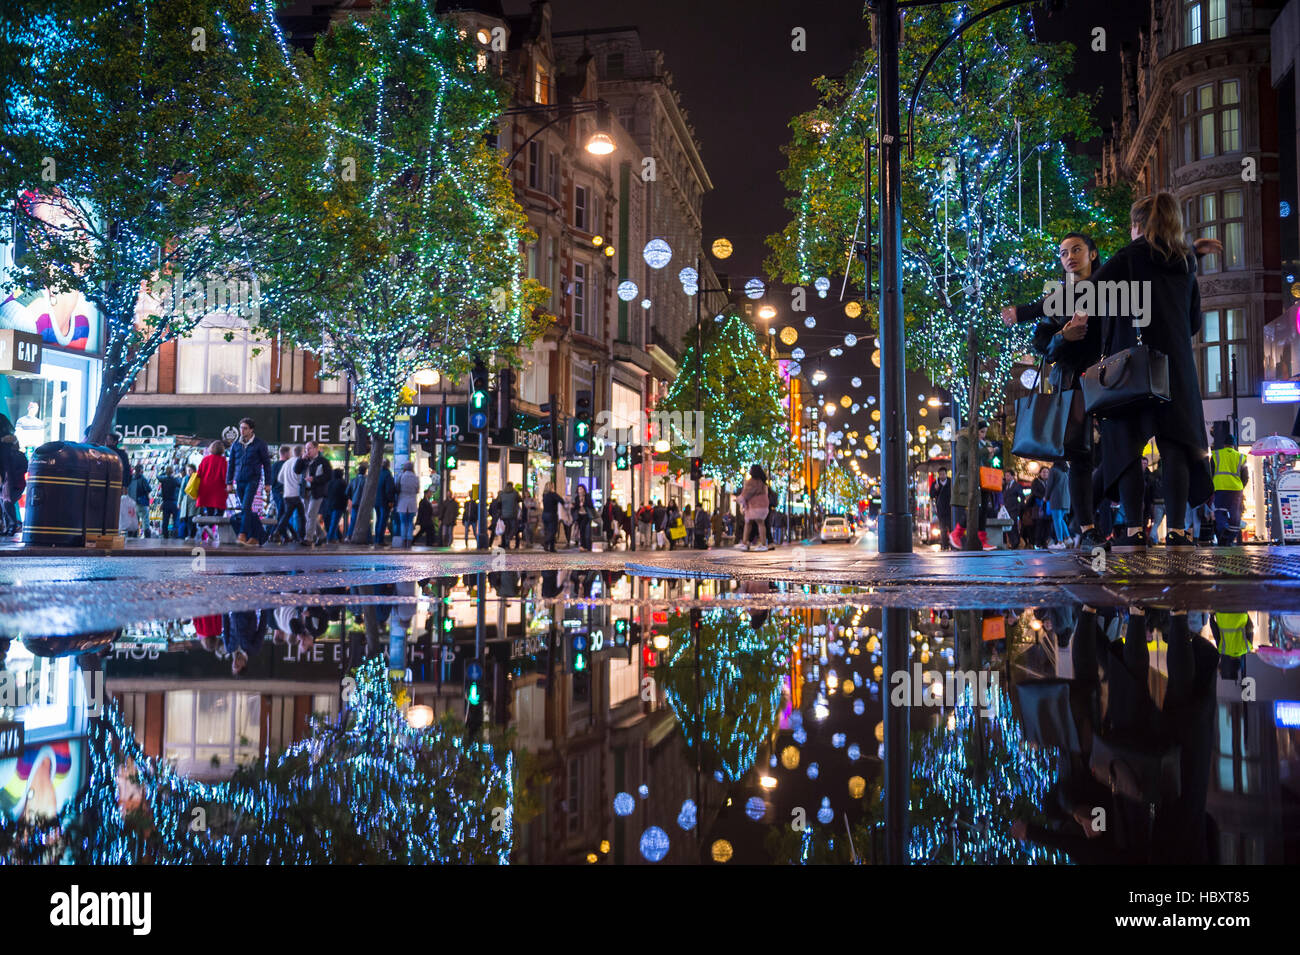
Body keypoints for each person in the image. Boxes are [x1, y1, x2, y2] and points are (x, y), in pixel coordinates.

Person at [1080, 193, 1214, 549]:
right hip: (1176, 370)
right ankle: (1178, 531)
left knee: (1126, 447)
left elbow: (1088, 294)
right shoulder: (1186, 263)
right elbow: (1193, 323)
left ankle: (1134, 530)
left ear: (1138, 224)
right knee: (1177, 448)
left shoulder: (1129, 257)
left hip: (1133, 368)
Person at [1003, 231, 1107, 551]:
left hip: (1110, 383)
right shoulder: (1057, 300)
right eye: (1063, 253)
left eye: (1076, 249)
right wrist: (1064, 335)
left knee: (1114, 454)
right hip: (1072, 386)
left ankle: (1096, 525)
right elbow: (1043, 346)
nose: (1069, 257)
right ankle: (1087, 529)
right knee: (1080, 456)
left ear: (1092, 254)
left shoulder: (1110, 290)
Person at [225, 417, 273, 548]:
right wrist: (229, 482)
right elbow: (231, 464)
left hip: (253, 479)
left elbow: (267, 464)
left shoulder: (259, 444)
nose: (242, 431)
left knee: (246, 507)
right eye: (241, 428)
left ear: (251, 430)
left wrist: (268, 483)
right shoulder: (236, 444)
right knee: (247, 509)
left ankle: (243, 534)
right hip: (239, 480)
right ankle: (257, 536)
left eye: (245, 428)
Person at [951, 421, 992, 549]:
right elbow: (965, 456)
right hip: (970, 481)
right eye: (981, 432)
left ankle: (982, 540)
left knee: (983, 510)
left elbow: (985, 462)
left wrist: (989, 454)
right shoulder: (964, 439)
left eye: (985, 432)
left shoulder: (983, 443)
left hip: (983, 480)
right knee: (973, 509)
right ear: (974, 430)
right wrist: (985, 451)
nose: (983, 435)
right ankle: (956, 533)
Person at [1211, 429, 1249, 546]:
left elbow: (1210, 473)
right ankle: (1229, 537)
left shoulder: (1215, 455)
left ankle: (1222, 532)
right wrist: (1241, 486)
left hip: (1220, 488)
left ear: (1224, 444)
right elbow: (1245, 476)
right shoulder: (1241, 457)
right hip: (1236, 490)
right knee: (1235, 514)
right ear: (1234, 445)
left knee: (1220, 512)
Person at [295, 440, 331, 546]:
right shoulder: (305, 461)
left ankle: (309, 538)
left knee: (311, 514)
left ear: (316, 449)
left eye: (309, 448)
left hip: (317, 492)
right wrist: (301, 459)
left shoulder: (323, 461)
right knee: (309, 515)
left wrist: (314, 479)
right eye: (306, 449)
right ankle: (322, 535)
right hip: (305, 491)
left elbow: (328, 476)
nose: (307, 451)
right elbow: (296, 470)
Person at [196, 440, 229, 542]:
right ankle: (211, 528)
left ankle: (209, 528)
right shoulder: (224, 461)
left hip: (205, 489)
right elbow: (225, 477)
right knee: (220, 511)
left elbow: (199, 474)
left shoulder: (205, 459)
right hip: (219, 490)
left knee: (209, 511)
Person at [272, 445, 305, 544]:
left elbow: (279, 479)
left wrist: (287, 483)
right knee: (301, 516)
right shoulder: (300, 462)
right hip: (296, 493)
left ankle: (281, 533)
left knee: (286, 515)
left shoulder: (286, 463)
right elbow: (300, 479)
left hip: (286, 493)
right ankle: (300, 537)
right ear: (301, 453)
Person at [0, 421, 28, 537]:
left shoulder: (9, 453)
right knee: (5, 503)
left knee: (6, 502)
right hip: (13, 481)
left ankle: (12, 525)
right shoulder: (15, 453)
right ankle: (10, 526)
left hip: (13, 482)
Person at [736, 465, 770, 551]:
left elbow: (746, 494)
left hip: (754, 506)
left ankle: (744, 543)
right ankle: (763, 544)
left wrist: (738, 499)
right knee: (761, 524)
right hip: (763, 506)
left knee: (748, 524)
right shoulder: (762, 482)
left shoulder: (751, 482)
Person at [393, 461, 420, 547]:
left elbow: (397, 489)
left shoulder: (401, 476)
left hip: (402, 503)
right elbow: (417, 490)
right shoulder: (416, 478)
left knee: (403, 523)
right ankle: (409, 540)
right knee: (410, 522)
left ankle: (403, 540)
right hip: (412, 503)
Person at [1045, 462, 1071, 548]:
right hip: (1066, 498)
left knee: (1057, 520)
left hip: (1056, 497)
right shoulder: (1066, 470)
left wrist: (1046, 497)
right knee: (1060, 519)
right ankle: (1067, 538)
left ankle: (1060, 542)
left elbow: (1049, 485)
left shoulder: (1054, 470)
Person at [127, 464, 152, 538]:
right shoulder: (143, 478)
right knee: (145, 521)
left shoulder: (131, 478)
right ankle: (147, 539)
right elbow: (148, 489)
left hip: (133, 503)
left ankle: (133, 538)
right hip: (142, 503)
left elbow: (129, 490)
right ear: (141, 470)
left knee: (134, 522)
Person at [375, 459, 396, 546]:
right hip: (384, 501)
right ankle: (380, 540)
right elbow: (389, 489)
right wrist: (391, 500)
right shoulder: (388, 475)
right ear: (388, 465)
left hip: (376, 501)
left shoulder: (377, 474)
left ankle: (376, 539)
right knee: (383, 521)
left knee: (378, 520)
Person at [324, 467, 348, 543]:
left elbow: (326, 494)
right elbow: (345, 495)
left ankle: (338, 537)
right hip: (338, 505)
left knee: (333, 522)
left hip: (329, 505)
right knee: (334, 523)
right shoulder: (343, 483)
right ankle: (330, 538)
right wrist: (345, 506)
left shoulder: (329, 482)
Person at [1001, 471, 1023, 549]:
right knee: (1007, 526)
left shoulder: (1017, 486)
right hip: (1006, 509)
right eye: (1005, 475)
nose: (1006, 477)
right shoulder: (1005, 486)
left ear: (1013, 476)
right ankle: (1012, 542)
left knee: (1013, 526)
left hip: (1014, 508)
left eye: (1008, 475)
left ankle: (1015, 542)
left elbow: (1021, 497)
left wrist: (1019, 507)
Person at [157, 466, 181, 539]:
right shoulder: (175, 480)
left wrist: (164, 472)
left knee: (165, 520)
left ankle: (165, 535)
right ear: (173, 472)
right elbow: (181, 485)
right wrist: (177, 476)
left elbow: (158, 476)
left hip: (166, 502)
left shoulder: (163, 479)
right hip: (174, 502)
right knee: (176, 520)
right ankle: (175, 535)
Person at [932, 467, 953, 549]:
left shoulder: (951, 482)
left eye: (943, 474)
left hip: (950, 508)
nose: (942, 476)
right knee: (943, 528)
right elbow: (932, 495)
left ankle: (952, 544)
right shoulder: (935, 483)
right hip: (941, 509)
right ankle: (944, 545)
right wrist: (935, 489)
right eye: (940, 474)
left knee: (951, 527)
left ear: (946, 473)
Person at [270, 445, 291, 527]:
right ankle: (275, 533)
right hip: (284, 492)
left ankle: (276, 533)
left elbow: (272, 480)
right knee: (283, 515)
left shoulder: (274, 465)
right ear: (285, 453)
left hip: (277, 492)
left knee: (282, 514)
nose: (290, 455)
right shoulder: (288, 465)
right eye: (289, 453)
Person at [346, 463, 368, 539]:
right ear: (365, 471)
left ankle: (349, 535)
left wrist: (352, 498)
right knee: (365, 520)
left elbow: (347, 492)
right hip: (364, 503)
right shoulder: (366, 480)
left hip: (355, 502)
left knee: (353, 520)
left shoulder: (353, 480)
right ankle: (367, 538)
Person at [497, 480, 521, 548]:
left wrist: (500, 513)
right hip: (513, 514)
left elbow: (499, 504)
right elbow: (520, 499)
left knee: (506, 529)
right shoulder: (515, 493)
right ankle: (508, 538)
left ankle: (506, 543)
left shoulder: (501, 493)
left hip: (504, 515)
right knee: (514, 528)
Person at [178, 462, 199, 539]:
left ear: (194, 470)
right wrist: (179, 502)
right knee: (185, 518)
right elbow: (181, 491)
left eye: (190, 470)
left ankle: (192, 535)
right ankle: (188, 535)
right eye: (187, 471)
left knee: (192, 518)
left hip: (194, 500)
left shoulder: (197, 478)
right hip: (185, 500)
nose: (189, 472)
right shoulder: (185, 478)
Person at [571, 484, 593, 551]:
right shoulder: (577, 498)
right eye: (579, 489)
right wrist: (574, 506)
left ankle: (587, 546)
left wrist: (584, 504)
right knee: (581, 530)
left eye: (581, 489)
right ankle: (583, 546)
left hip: (586, 515)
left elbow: (591, 505)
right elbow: (576, 507)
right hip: (579, 515)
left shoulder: (587, 496)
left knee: (586, 530)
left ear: (584, 490)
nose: (580, 490)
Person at [541, 482, 562, 552]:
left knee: (548, 531)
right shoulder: (553, 494)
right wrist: (554, 493)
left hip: (544, 514)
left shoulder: (544, 495)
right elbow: (561, 500)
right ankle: (546, 542)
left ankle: (551, 548)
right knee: (553, 531)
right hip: (552, 514)